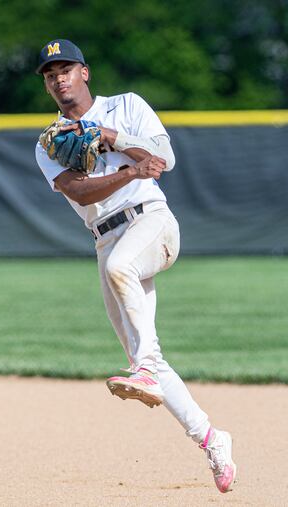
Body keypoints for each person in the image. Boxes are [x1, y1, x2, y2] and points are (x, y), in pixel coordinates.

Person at [33, 39, 236, 493]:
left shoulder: (126, 106)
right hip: (105, 239)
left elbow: (164, 159)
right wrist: (126, 171)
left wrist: (111, 138)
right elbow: (80, 193)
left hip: (152, 222)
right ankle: (211, 438)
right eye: (50, 74)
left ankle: (143, 369)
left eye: (65, 68)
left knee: (122, 271)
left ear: (84, 72)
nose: (59, 78)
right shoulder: (50, 142)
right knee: (146, 354)